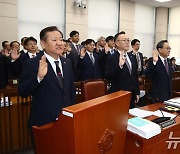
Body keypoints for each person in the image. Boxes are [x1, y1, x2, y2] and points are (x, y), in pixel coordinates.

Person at [18, 26, 76, 128]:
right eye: (54, 40)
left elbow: (71, 90)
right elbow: (23, 91)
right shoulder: (32, 63)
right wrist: (38, 78)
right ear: (43, 44)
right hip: (44, 122)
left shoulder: (67, 62)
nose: (59, 43)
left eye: (61, 39)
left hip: (67, 120)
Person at [105, 31, 140, 108]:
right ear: (117, 43)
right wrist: (120, 66)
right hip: (119, 94)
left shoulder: (132, 56)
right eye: (124, 40)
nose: (127, 43)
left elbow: (134, 76)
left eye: (128, 40)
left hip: (131, 93)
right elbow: (108, 76)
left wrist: (137, 92)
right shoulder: (112, 57)